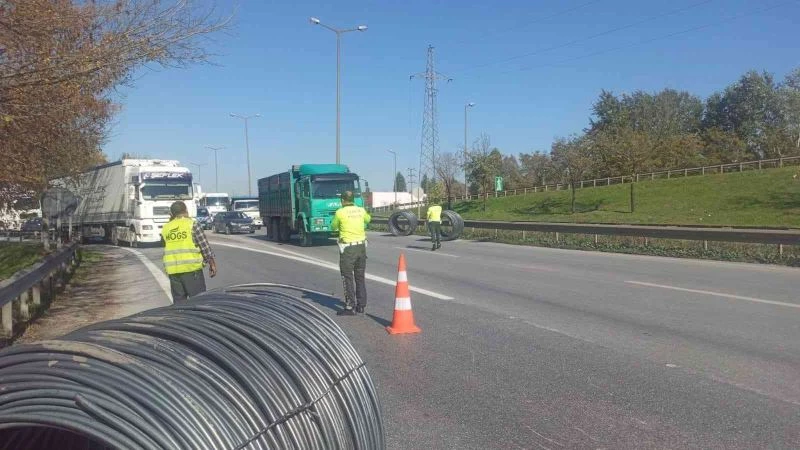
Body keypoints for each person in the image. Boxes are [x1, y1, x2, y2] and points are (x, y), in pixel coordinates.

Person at [162, 201, 217, 303]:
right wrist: (212, 264)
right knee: (198, 302)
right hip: (192, 271)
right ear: (186, 210)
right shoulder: (192, 224)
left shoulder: (166, 228)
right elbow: (204, 246)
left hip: (174, 272)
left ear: (172, 213)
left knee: (179, 305)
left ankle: (181, 319)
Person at [331, 191, 371, 316]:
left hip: (348, 249)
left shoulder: (340, 212)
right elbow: (368, 220)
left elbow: (333, 226)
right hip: (361, 247)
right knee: (360, 277)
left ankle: (350, 307)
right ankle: (361, 305)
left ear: (342, 200)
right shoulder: (361, 210)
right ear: (353, 200)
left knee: (347, 277)